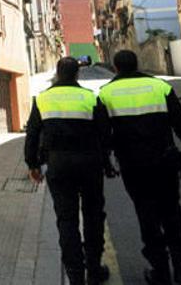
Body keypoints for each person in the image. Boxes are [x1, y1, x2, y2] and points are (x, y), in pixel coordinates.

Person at [97, 50, 181, 285]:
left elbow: (103, 137)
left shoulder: (106, 93)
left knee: (147, 215)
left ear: (115, 67)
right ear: (137, 64)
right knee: (172, 212)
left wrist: (107, 163)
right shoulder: (160, 87)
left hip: (134, 167)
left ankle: (160, 271)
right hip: (166, 162)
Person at [24, 57, 114, 285]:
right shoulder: (91, 98)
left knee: (67, 220)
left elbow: (32, 134)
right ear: (77, 74)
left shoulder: (42, 99)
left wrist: (32, 164)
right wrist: (106, 162)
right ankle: (94, 269)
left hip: (58, 166)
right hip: (90, 165)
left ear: (57, 72)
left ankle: (75, 275)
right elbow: (105, 135)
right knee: (94, 217)